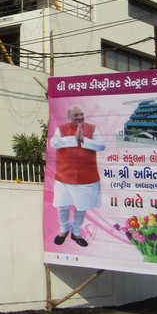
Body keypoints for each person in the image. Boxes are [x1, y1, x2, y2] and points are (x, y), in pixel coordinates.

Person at [49, 105, 107, 247]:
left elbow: (101, 146)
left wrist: (83, 140)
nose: (80, 117)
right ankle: (63, 230)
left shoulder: (92, 128)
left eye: (81, 114)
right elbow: (54, 143)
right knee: (63, 205)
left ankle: (76, 232)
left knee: (81, 206)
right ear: (69, 116)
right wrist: (74, 139)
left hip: (86, 176)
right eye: (76, 115)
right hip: (64, 176)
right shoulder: (61, 129)